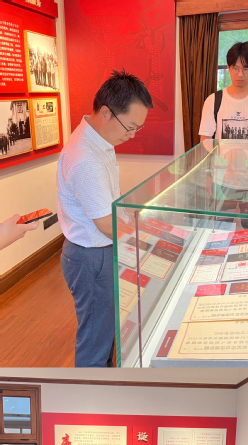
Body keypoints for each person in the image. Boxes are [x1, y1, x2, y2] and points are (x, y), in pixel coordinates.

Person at [57, 70, 153, 368]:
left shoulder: (98, 138)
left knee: (104, 326)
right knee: (95, 338)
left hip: (98, 250)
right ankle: (92, 390)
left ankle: (105, 378)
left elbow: (110, 205)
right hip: (91, 256)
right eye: (130, 126)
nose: (132, 135)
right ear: (106, 112)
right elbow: (104, 223)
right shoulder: (85, 157)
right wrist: (144, 239)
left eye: (138, 128)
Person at [199, 42, 248, 141]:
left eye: (246, 68)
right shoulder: (213, 100)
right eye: (235, 68)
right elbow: (205, 140)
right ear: (228, 67)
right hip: (221, 152)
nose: (240, 74)